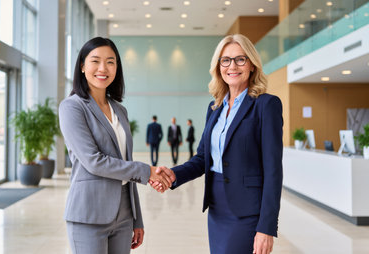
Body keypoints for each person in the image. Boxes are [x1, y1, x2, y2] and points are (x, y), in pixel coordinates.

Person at [151, 34, 283, 254]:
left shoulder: (266, 105)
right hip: (217, 208)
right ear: (218, 66)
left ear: (252, 65)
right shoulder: (215, 108)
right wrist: (173, 175)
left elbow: (273, 171)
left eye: (240, 59)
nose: (232, 66)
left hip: (248, 213)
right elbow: (202, 158)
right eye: (226, 60)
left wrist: (266, 227)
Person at [59, 37, 173, 254]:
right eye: (95, 61)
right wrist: (147, 171)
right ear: (82, 66)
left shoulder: (119, 110)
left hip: (123, 214)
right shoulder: (72, 107)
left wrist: (136, 217)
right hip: (89, 214)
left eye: (110, 62)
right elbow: (94, 162)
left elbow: (124, 162)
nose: (103, 68)